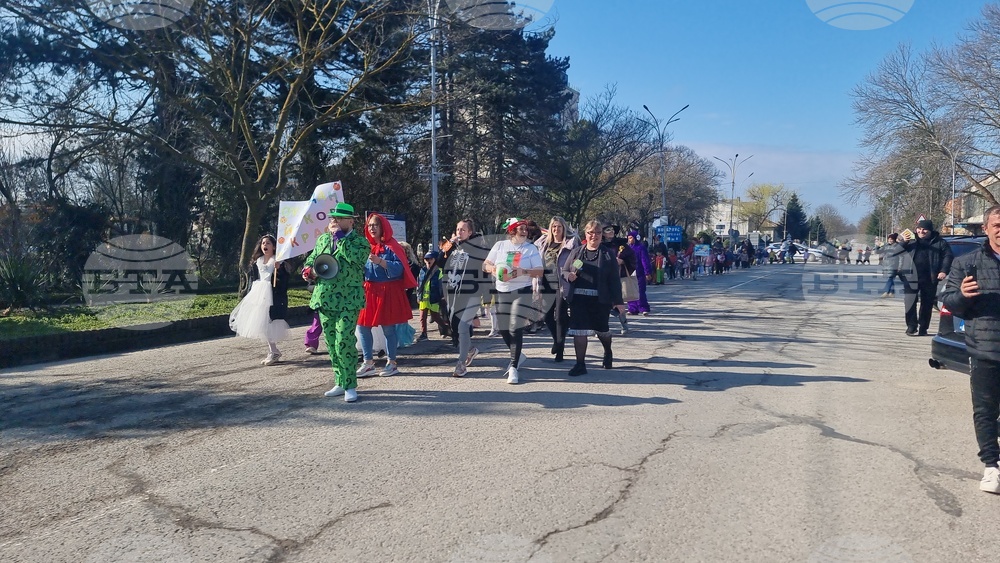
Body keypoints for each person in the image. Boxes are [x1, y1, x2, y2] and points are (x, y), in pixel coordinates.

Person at [940, 204, 1000, 494]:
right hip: (986, 348)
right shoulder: (967, 263)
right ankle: (991, 466)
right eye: (997, 226)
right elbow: (949, 301)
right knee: (986, 410)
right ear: (986, 228)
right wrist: (962, 296)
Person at [302, 202, 370, 402]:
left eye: (339, 218)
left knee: (344, 341)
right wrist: (308, 271)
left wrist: (340, 238)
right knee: (331, 343)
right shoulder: (323, 239)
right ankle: (340, 381)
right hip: (324, 298)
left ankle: (350, 384)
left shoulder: (359, 242)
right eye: (333, 218)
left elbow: (356, 259)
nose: (334, 221)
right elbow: (312, 260)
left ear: (350, 221)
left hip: (348, 300)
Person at [355, 213, 417, 378]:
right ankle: (368, 363)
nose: (372, 228)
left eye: (375, 225)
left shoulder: (392, 246)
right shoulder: (366, 246)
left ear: (383, 227)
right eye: (369, 225)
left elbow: (400, 268)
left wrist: (381, 262)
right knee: (362, 326)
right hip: (369, 290)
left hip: (387, 291)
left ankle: (392, 363)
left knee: (388, 329)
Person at [562, 220, 627, 376]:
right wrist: (568, 276)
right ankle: (580, 364)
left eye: (598, 233)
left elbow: (614, 280)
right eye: (591, 233)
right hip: (579, 299)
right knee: (579, 331)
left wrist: (618, 302)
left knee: (602, 331)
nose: (594, 236)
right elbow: (564, 270)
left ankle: (607, 352)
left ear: (601, 235)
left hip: (600, 300)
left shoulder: (607, 254)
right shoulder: (577, 252)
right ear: (586, 234)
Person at [483, 217, 544, 384]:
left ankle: (513, 367)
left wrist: (522, 271)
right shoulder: (500, 246)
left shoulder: (530, 248)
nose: (525, 231)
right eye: (521, 228)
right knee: (503, 329)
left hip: (521, 291)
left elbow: (539, 271)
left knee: (514, 327)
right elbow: (485, 264)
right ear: (512, 231)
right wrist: (493, 268)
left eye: (526, 228)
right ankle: (517, 353)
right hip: (502, 290)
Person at [229, 234, 291, 365]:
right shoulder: (258, 261)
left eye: (268, 243)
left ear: (274, 246)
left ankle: (273, 351)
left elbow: (283, 282)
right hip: (259, 294)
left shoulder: (278, 261)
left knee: (269, 322)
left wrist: (279, 270)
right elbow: (254, 278)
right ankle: (273, 351)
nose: (265, 246)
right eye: (263, 243)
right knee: (261, 323)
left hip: (273, 295)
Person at [444, 218, 492, 377]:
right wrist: (449, 244)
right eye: (458, 229)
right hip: (455, 294)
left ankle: (461, 363)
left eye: (463, 230)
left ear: (470, 232)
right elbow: (438, 261)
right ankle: (470, 350)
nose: (459, 232)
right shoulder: (453, 248)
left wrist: (487, 297)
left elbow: (484, 274)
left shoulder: (478, 249)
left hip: (472, 293)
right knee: (455, 326)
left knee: (463, 327)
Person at [899, 219, 954, 336]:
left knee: (927, 304)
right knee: (909, 302)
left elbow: (948, 257)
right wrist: (903, 242)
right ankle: (911, 326)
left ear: (930, 230)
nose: (921, 231)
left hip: (930, 277)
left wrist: (944, 271)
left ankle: (923, 327)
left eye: (925, 229)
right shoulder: (911, 241)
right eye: (919, 229)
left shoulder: (940, 242)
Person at [534, 216, 578, 362]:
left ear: (563, 228)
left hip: (562, 283)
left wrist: (574, 271)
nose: (556, 229)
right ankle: (557, 341)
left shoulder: (570, 243)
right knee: (546, 316)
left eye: (559, 227)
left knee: (560, 316)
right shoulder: (544, 243)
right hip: (546, 282)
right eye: (554, 227)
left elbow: (579, 259)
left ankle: (560, 348)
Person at [602, 224, 635, 334]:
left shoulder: (621, 244)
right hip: (602, 277)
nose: (611, 231)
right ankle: (602, 327)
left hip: (617, 276)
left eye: (612, 230)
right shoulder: (598, 244)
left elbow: (632, 257)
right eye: (607, 230)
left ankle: (624, 326)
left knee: (618, 301)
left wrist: (623, 261)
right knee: (603, 304)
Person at [416, 250, 451, 340]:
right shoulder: (422, 271)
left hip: (434, 298)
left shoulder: (439, 272)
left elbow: (442, 285)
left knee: (435, 317)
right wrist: (418, 295)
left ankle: (447, 329)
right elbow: (418, 284)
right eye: (426, 259)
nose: (428, 261)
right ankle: (424, 334)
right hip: (424, 298)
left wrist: (443, 296)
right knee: (422, 317)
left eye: (430, 258)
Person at [626, 230, 652, 316]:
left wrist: (647, 272)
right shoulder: (627, 248)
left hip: (639, 272)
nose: (630, 240)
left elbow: (644, 260)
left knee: (640, 291)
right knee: (630, 291)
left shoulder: (641, 248)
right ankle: (632, 308)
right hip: (629, 272)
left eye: (631, 238)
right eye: (628, 238)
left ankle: (643, 307)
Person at [878, 233, 903, 298]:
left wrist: (900, 266)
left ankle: (886, 291)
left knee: (890, 278)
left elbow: (901, 257)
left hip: (894, 264)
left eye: (891, 239)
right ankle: (892, 292)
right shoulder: (886, 245)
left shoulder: (898, 246)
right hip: (886, 264)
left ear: (894, 240)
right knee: (891, 278)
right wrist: (878, 246)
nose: (890, 240)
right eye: (889, 239)